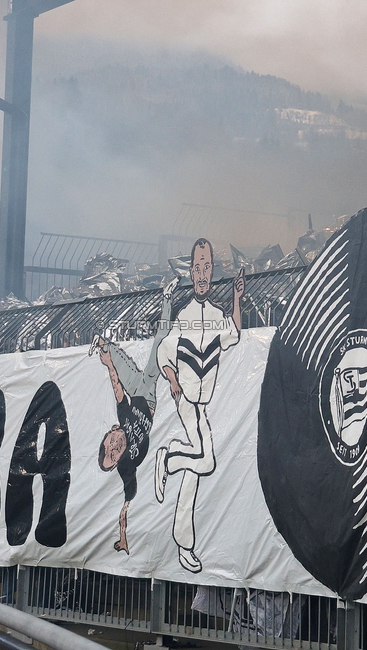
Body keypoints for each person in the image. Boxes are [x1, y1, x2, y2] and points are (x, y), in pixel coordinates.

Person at [155, 238, 246, 573]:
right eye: (198, 267)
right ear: (192, 272)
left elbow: (234, 331)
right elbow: (164, 353)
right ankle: (169, 459)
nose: (203, 273)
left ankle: (184, 546)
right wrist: (174, 382)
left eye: (208, 266)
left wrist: (237, 298)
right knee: (205, 460)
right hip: (187, 402)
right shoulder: (184, 315)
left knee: (195, 469)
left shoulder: (218, 314)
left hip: (201, 404)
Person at [94, 278, 177, 554]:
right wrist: (123, 537)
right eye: (113, 455)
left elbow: (116, 385)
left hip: (134, 391)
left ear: (111, 432)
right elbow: (126, 505)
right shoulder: (127, 466)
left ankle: (104, 345)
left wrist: (107, 363)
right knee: (157, 350)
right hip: (148, 394)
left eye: (110, 446)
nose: (115, 447)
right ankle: (167, 300)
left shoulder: (123, 415)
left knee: (116, 362)